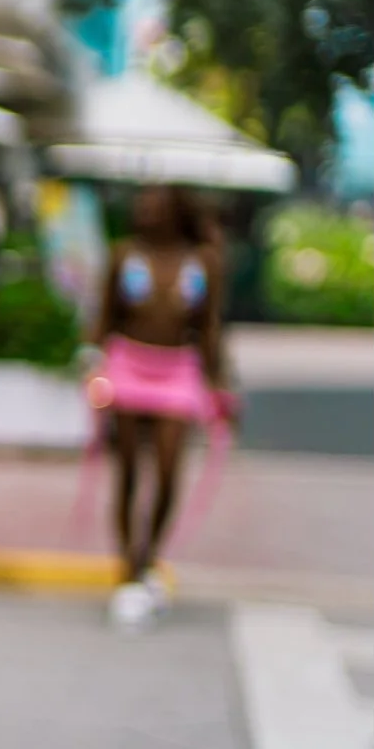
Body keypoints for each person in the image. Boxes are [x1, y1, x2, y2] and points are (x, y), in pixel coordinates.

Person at [88, 183, 232, 631]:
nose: (146, 213)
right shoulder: (123, 254)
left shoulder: (201, 261)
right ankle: (128, 569)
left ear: (176, 212)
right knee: (129, 470)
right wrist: (94, 367)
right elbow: (104, 317)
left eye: (156, 207)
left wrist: (220, 387)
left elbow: (208, 327)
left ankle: (148, 557)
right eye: (142, 205)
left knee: (169, 471)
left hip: (178, 371)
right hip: (128, 364)